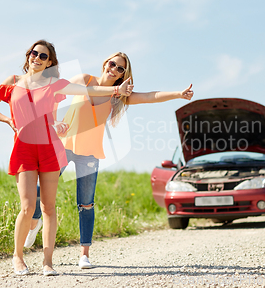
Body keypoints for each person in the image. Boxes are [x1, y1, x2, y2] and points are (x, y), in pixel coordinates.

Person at [24, 51, 193, 269]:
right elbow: (57, 92)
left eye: (119, 68)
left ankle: (84, 255)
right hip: (63, 145)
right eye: (112, 64)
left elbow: (151, 96)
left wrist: (179, 94)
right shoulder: (85, 80)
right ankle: (34, 222)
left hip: (90, 153)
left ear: (122, 75)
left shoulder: (118, 97)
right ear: (105, 63)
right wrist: (53, 120)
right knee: (39, 190)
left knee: (86, 203)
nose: (113, 69)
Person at [0, 40, 133, 276]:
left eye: (43, 56)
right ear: (28, 55)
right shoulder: (12, 82)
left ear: (50, 62)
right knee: (27, 206)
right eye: (35, 53)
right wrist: (8, 120)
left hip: (50, 149)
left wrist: (115, 91)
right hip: (24, 149)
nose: (37, 58)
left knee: (49, 208)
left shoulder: (53, 85)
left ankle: (47, 263)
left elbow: (88, 91)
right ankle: (18, 257)